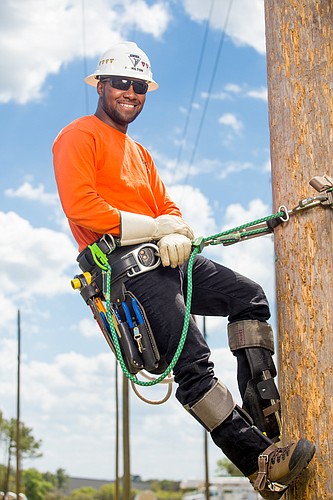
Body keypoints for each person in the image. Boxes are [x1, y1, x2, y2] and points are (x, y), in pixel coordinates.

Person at [53, 41, 315, 498]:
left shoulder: (140, 153)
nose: (130, 92)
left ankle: (263, 408)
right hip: (129, 269)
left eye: (139, 86)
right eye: (121, 83)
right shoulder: (78, 136)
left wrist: (176, 229)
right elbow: (83, 208)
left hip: (170, 258)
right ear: (101, 85)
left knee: (248, 296)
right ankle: (259, 462)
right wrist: (155, 227)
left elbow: (168, 207)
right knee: (193, 363)